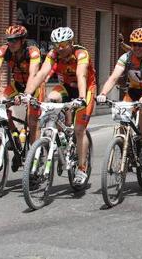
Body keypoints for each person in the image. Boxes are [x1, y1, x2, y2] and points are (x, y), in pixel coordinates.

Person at [21, 27, 96, 186]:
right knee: (51, 99)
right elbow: (41, 74)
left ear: (71, 43)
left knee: (79, 130)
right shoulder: (53, 54)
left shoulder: (81, 54)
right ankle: (61, 134)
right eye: (56, 45)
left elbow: (81, 75)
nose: (59, 48)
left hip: (85, 89)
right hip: (66, 87)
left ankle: (82, 168)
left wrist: (82, 98)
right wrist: (27, 93)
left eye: (63, 44)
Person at [96, 28, 142, 160]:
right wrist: (103, 93)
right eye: (134, 44)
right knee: (122, 114)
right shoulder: (126, 57)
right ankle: (124, 144)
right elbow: (114, 77)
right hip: (133, 91)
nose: (137, 48)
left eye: (141, 45)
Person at [0, 25, 42, 151]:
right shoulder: (4, 50)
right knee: (0, 104)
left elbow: (33, 74)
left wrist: (26, 95)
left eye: (14, 40)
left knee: (32, 121)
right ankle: (14, 134)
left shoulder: (32, 51)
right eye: (8, 40)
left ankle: (34, 156)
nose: (10, 43)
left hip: (34, 86)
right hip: (16, 84)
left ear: (22, 40)